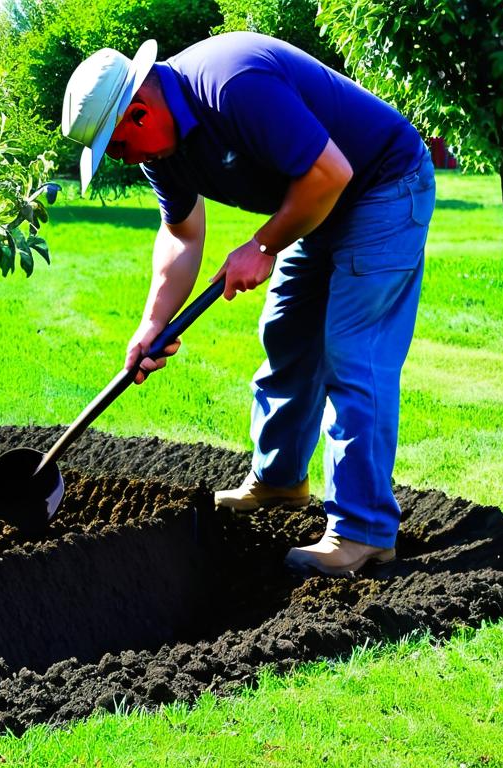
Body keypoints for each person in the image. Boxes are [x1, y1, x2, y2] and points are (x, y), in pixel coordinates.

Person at [61, 33, 435, 576]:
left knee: (354, 355)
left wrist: (263, 246)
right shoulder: (161, 146)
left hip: (381, 185)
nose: (123, 159)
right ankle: (280, 482)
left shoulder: (233, 84)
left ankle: (364, 531)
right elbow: (183, 235)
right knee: (286, 338)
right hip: (318, 200)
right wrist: (152, 323)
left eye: (117, 147)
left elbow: (332, 172)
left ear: (138, 113)